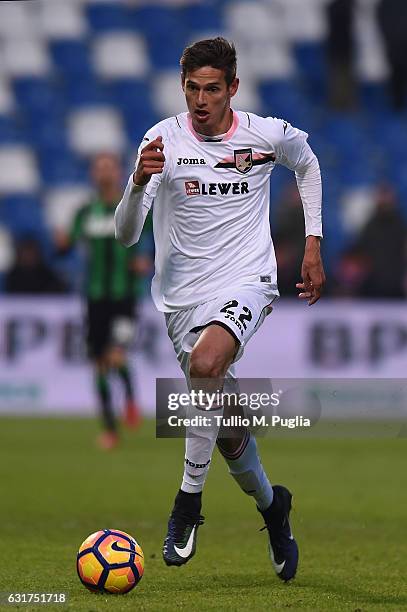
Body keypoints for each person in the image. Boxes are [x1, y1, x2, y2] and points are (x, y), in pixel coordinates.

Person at [115, 38, 324, 581]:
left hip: (247, 282)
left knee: (207, 368)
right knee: (227, 425)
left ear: (233, 87)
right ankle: (272, 506)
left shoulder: (265, 135)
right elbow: (124, 235)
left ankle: (187, 504)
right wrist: (138, 183)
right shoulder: (162, 140)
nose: (201, 100)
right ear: (181, 87)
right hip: (181, 301)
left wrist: (313, 242)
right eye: (191, 89)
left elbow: (307, 162)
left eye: (212, 89)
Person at [57, 153, 151, 449]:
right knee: (98, 363)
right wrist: (61, 243)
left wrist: (146, 261)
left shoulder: (132, 207)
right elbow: (66, 246)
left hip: (124, 297)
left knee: (115, 356)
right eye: (99, 168)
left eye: (108, 167)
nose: (104, 173)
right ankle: (110, 429)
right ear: (92, 175)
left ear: (119, 171)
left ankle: (131, 399)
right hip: (95, 298)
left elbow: (154, 241)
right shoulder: (85, 212)